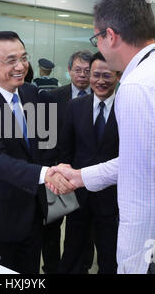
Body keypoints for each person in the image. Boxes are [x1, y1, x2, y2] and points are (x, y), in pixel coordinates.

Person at [47, 0, 155, 274]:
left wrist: (130, 266)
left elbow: (143, 195)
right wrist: (81, 176)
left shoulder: (139, 86)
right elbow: (145, 159)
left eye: (96, 37)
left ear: (110, 36)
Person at [0, 31, 68, 274]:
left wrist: (58, 168)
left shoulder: (32, 94)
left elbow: (45, 145)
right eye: (11, 60)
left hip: (33, 216)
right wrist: (45, 174)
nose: (20, 66)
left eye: (23, 58)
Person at [57, 51, 119, 274]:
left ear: (118, 76)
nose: (100, 81)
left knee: (109, 254)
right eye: (95, 75)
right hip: (79, 194)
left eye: (106, 75)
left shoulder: (127, 106)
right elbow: (66, 149)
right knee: (73, 250)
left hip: (112, 197)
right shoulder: (76, 107)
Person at [40, 50, 94, 274]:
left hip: (86, 176)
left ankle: (80, 267)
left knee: (82, 228)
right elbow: (45, 136)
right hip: (56, 173)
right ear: (69, 71)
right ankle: (52, 268)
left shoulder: (102, 97)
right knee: (51, 229)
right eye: (78, 70)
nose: (82, 75)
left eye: (87, 71)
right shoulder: (53, 97)